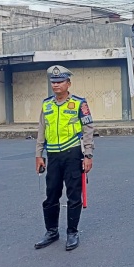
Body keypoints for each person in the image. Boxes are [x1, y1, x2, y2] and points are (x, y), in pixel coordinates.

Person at [34, 65, 94, 251]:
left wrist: (88, 155)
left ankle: (72, 232)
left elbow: (88, 130)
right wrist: (38, 155)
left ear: (68, 83)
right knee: (51, 193)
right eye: (53, 82)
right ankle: (51, 231)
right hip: (52, 155)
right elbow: (41, 131)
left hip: (72, 153)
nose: (56, 85)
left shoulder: (79, 103)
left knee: (74, 194)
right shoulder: (47, 104)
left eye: (60, 82)